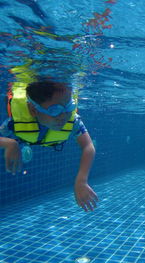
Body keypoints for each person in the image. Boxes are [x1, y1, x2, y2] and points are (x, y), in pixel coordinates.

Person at [0, 76, 98, 212]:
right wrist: (9, 143)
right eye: (55, 110)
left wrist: (81, 180)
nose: (63, 116)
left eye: (69, 106)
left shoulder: (73, 121)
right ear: (33, 110)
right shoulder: (13, 124)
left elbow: (88, 146)